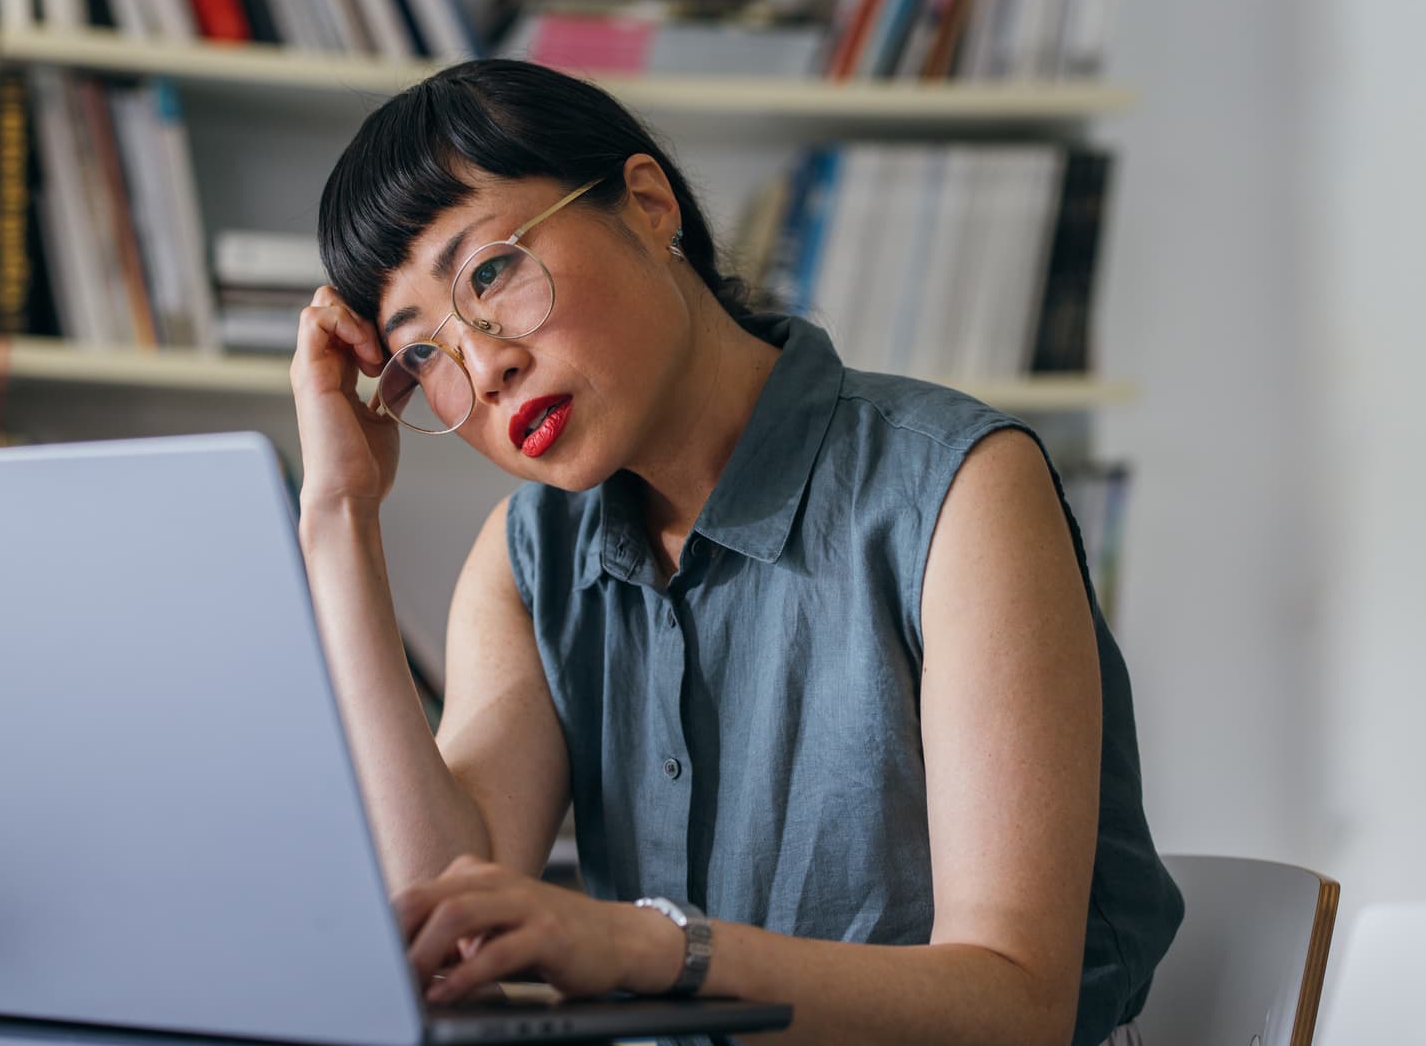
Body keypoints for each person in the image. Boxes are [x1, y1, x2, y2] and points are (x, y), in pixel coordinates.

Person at [293, 58, 1182, 1046]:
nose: (484, 362)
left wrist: (653, 949)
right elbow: (442, 940)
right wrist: (338, 516)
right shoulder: (525, 561)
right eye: (423, 353)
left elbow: (1018, 1008)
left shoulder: (959, 490)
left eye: (492, 273)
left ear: (647, 204)